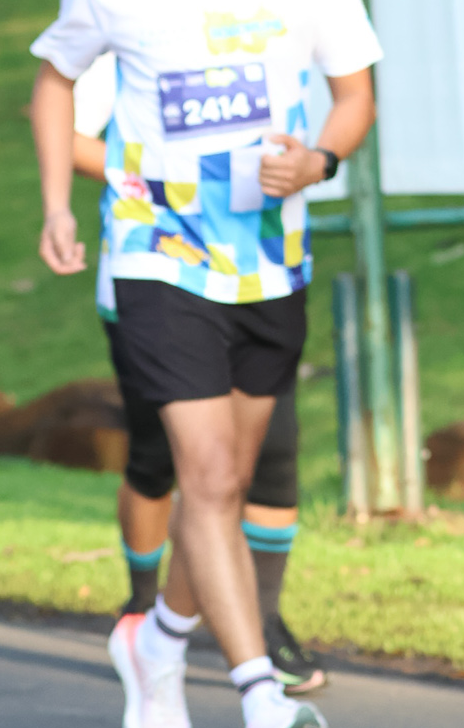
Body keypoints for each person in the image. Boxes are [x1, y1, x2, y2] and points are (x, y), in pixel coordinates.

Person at [30, 0, 380, 728]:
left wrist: (317, 160)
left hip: (268, 259)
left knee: (223, 481)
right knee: (207, 470)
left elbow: (354, 95)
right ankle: (261, 700)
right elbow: (54, 81)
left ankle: (157, 639)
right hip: (157, 256)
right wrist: (58, 204)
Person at [71, 53, 324, 691]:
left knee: (270, 456)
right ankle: (142, 608)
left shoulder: (269, 27)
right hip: (157, 276)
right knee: (161, 460)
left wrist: (306, 164)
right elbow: (66, 131)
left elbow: (339, 113)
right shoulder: (128, 24)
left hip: (260, 273)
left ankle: (261, 621)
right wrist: (161, 177)